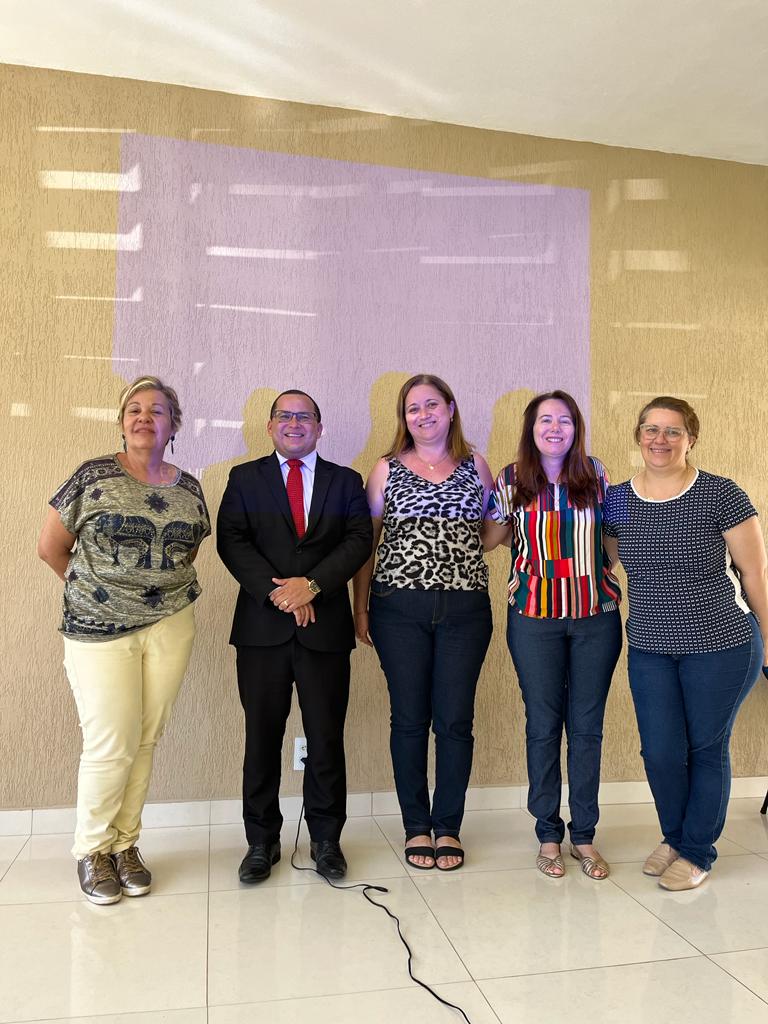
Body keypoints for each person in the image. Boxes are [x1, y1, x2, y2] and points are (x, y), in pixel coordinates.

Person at [37, 376, 210, 905]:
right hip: (97, 629)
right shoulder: (93, 476)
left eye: (156, 411)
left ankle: (125, 846)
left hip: (170, 625)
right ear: (122, 422)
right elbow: (51, 549)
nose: (143, 417)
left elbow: (189, 553)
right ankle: (93, 850)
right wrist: (101, 594)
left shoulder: (190, 487)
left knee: (144, 739)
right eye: (133, 409)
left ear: (172, 425)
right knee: (110, 741)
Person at [603, 396, 767, 891]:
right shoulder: (616, 500)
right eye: (651, 429)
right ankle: (675, 837)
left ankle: (697, 851)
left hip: (722, 644)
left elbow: (755, 573)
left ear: (691, 437)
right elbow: (605, 563)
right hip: (651, 648)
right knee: (660, 752)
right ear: (638, 435)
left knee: (705, 748)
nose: (660, 439)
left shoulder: (721, 494)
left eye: (673, 431)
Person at [217, 390, 372, 883]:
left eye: (304, 416)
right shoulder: (244, 478)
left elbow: (359, 540)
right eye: (285, 415)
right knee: (261, 738)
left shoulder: (346, 481)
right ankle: (260, 842)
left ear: (319, 428)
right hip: (262, 631)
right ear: (270, 426)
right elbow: (231, 539)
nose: (294, 423)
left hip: (324, 630)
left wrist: (314, 586)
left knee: (326, 738)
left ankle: (327, 840)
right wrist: (279, 593)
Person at [354, 374, 494, 871]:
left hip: (465, 610)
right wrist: (362, 605)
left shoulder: (476, 465)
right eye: (413, 409)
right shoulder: (386, 469)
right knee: (410, 720)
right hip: (398, 610)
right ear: (404, 418)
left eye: (432, 405)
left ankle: (448, 827)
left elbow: (491, 530)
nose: (423, 415)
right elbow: (366, 544)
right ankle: (417, 826)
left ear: (451, 409)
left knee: (455, 721)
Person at [484, 390, 622, 880]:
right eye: (545, 419)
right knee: (543, 725)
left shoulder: (597, 474)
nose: (555, 428)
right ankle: (548, 833)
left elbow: (613, 540)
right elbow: (489, 539)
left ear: (576, 428)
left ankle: (584, 834)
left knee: (586, 727)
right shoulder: (511, 479)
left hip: (595, 615)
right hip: (534, 618)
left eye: (565, 420)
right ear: (531, 428)